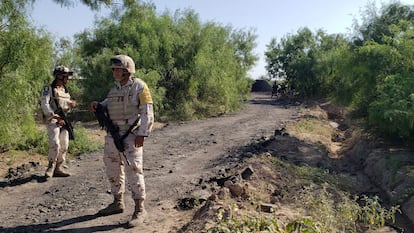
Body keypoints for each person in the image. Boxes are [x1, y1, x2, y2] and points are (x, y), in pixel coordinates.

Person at [89, 54, 154, 228]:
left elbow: (147, 110)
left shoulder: (139, 87)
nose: (116, 72)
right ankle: (117, 202)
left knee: (134, 170)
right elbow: (108, 103)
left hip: (131, 135)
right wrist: (98, 105)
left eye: (119, 69)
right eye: (114, 69)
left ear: (127, 70)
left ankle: (140, 208)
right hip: (113, 135)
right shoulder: (115, 89)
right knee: (112, 168)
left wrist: (143, 133)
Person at [41, 66, 77, 179]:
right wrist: (53, 115)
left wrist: (71, 105)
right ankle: (50, 167)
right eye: (66, 76)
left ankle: (58, 167)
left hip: (64, 120)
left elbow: (66, 107)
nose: (68, 79)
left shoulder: (65, 91)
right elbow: (45, 104)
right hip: (53, 120)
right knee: (55, 143)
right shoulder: (48, 88)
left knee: (64, 144)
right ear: (59, 76)